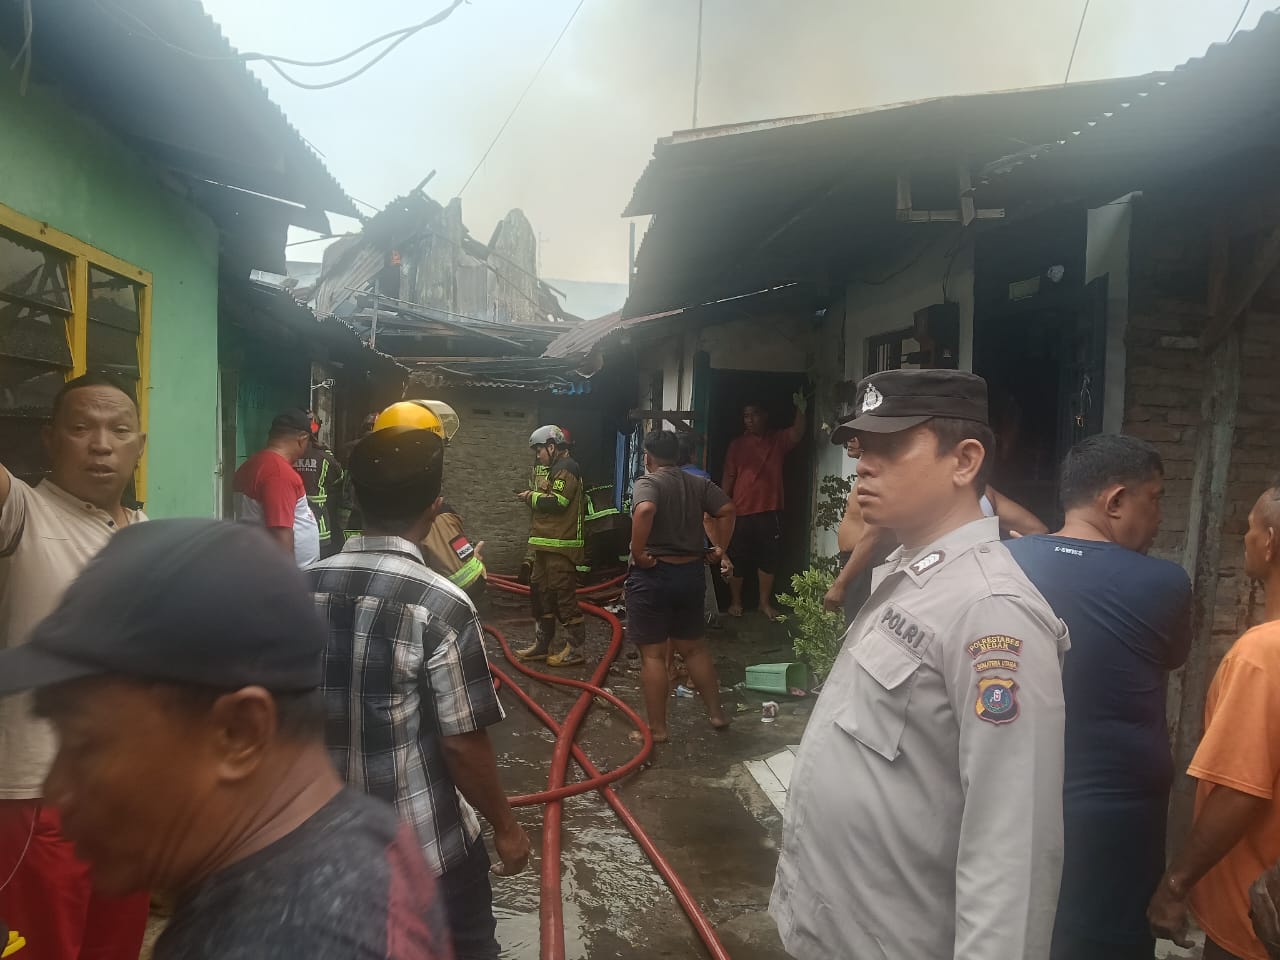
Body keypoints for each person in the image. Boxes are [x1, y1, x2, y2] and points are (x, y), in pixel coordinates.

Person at [0, 518, 452, 959]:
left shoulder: (263, 942)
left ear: (240, 733)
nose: (57, 789)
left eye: (84, 744)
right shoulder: (366, 830)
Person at [771, 368, 1069, 960]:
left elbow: (1012, 847)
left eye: (889, 445)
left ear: (964, 461)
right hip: (835, 929)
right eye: (862, 447)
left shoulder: (992, 612)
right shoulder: (911, 576)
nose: (862, 464)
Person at [309, 418, 529, 960]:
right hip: (422, 850)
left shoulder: (299, 586)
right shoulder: (442, 606)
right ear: (435, 506)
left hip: (318, 845)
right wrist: (506, 825)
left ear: (355, 498)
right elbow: (461, 742)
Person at [1005, 434, 1191, 960]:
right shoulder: (1163, 581)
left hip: (1016, 796)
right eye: (1153, 498)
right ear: (1114, 502)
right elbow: (1172, 657)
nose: (1157, 514)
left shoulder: (1004, 563)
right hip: (1119, 814)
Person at [0, 372, 150, 960]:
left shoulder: (146, 535)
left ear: (139, 444)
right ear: (49, 439)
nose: (101, 444)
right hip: (40, 800)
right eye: (81, 428)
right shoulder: (24, 516)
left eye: (118, 430)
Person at [1148, 483, 1280, 960]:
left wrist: (1175, 884)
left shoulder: (1262, 656)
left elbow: (1240, 791)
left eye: (1247, 528)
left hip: (1252, 921)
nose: (1244, 539)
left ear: (1267, 541)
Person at [627, 431, 736, 743]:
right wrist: (720, 548)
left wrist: (637, 552)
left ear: (648, 457)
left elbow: (645, 510)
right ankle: (717, 714)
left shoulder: (648, 482)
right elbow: (728, 510)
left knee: (653, 655)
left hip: (653, 575)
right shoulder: (698, 483)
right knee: (695, 648)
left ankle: (658, 730)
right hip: (690, 574)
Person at [722, 396, 806, 620]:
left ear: (765, 416)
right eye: (746, 416)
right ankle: (735, 602)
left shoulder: (777, 440)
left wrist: (801, 406)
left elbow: (797, 432)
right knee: (737, 559)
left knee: (768, 558)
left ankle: (763, 603)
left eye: (754, 414)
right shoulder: (737, 445)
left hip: (770, 510)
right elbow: (729, 475)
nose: (749, 420)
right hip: (741, 510)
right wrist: (721, 505)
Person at [516, 425, 587, 667]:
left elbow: (558, 502)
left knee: (563, 598)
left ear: (552, 446)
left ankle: (575, 649)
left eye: (539, 450)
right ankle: (542, 645)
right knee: (540, 595)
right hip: (544, 546)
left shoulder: (568, 468)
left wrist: (529, 497)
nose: (538, 456)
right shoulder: (551, 470)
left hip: (561, 547)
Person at [234, 408, 321, 567]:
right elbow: (281, 535)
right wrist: (287, 584)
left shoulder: (252, 465)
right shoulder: (279, 474)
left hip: (258, 566)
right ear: (302, 439)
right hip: (286, 576)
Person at [676, 433, 725, 629]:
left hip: (669, 549)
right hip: (695, 548)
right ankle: (706, 625)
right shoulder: (701, 478)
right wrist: (721, 550)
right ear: (693, 455)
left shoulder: (661, 478)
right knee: (702, 599)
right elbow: (707, 517)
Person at [295, 415, 345, 559]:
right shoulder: (325, 457)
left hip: (290, 526)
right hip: (319, 526)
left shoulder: (288, 456)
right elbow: (339, 477)